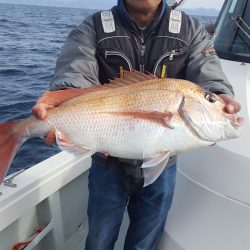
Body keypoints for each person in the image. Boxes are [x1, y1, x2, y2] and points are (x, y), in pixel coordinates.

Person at [32, 0, 242, 249]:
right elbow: (74, 75)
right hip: (107, 164)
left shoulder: (190, 30)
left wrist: (218, 92)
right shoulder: (93, 28)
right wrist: (61, 105)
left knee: (144, 243)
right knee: (99, 239)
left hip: (163, 166)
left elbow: (208, 71)